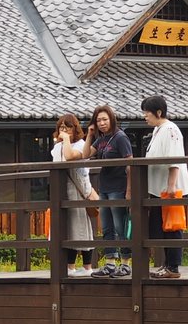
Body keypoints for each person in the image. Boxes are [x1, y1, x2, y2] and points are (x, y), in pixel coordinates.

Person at [141, 94, 188, 278]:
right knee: (162, 228)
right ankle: (167, 265)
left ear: (158, 112)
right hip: (158, 187)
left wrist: (170, 186)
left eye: (147, 113)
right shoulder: (158, 130)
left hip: (170, 188)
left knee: (172, 227)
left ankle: (173, 267)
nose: (145, 116)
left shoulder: (170, 129)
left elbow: (174, 159)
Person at [86, 104, 133, 277]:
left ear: (111, 119)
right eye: (98, 120)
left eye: (104, 119)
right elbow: (85, 154)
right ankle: (110, 263)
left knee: (120, 226)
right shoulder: (102, 139)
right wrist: (90, 135)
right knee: (106, 227)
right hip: (104, 187)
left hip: (118, 186)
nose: (102, 123)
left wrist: (129, 190)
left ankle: (126, 263)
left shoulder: (120, 137)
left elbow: (130, 164)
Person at [50, 114, 98, 274]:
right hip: (62, 191)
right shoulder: (57, 146)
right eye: (61, 127)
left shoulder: (80, 144)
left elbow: (69, 157)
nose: (63, 130)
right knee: (66, 229)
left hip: (79, 191)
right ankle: (69, 266)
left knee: (82, 229)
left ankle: (87, 267)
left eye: (67, 127)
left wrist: (65, 141)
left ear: (74, 128)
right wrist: (62, 142)